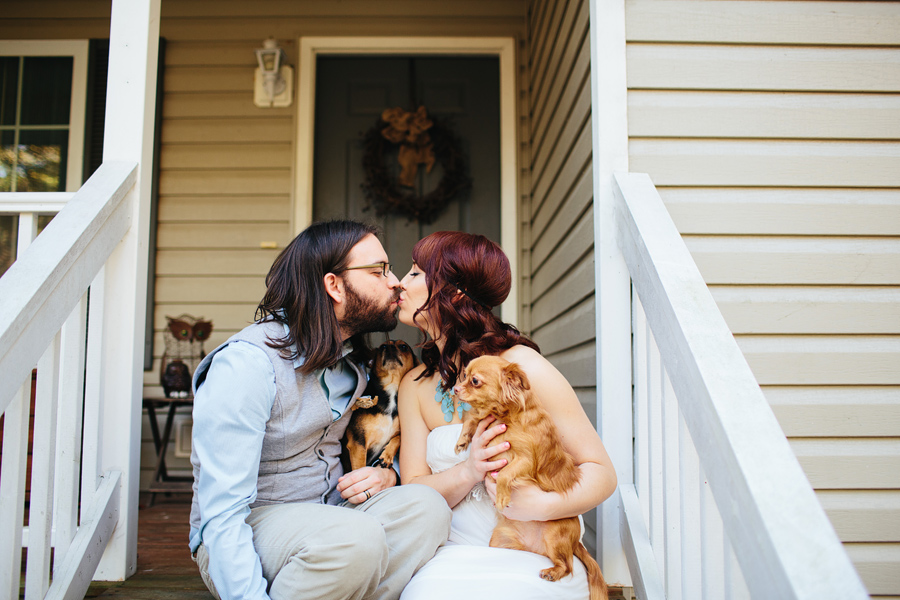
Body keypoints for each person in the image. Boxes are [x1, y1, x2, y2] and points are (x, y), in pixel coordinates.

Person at [188, 220, 451, 600]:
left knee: (427, 508)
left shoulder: (356, 364)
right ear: (334, 286)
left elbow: (371, 429)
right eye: (378, 271)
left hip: (336, 516)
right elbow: (222, 512)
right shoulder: (247, 366)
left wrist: (388, 476)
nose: (395, 282)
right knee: (353, 538)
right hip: (253, 527)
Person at [395, 231, 617, 599]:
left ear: (456, 292)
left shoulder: (521, 368)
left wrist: (542, 506)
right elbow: (413, 489)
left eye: (416, 273)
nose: (400, 284)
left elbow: (601, 473)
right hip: (452, 558)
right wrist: (468, 470)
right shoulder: (415, 386)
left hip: (536, 549)